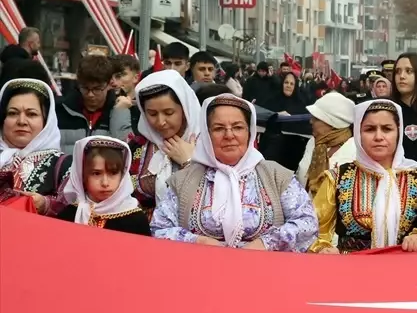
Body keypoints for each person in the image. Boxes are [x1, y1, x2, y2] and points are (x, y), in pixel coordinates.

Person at [151, 94, 317, 250]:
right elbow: (160, 228)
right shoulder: (183, 180)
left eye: (238, 127)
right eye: (218, 128)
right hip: (202, 269)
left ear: (250, 132)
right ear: (207, 135)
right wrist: (197, 241)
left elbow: (307, 222)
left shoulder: (276, 176)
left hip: (265, 270)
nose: (229, 135)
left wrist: (266, 243)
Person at [310, 99, 417, 254]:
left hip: (406, 270)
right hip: (352, 272)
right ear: (358, 133)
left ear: (398, 132)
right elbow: (314, 229)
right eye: (370, 129)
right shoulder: (337, 177)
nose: (378, 136)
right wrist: (323, 248)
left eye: (387, 129)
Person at [128, 70, 202, 211]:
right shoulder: (138, 146)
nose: (161, 122)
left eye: (169, 113)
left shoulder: (207, 145)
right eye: (152, 114)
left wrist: (188, 161)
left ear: (185, 109)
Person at [0, 78, 70, 214]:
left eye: (31, 114)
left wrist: (47, 205)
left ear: (46, 121)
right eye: (13, 113)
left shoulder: (63, 165)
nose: (21, 121)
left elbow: (79, 210)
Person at [58, 136, 151, 234]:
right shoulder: (70, 215)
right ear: (83, 176)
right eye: (96, 173)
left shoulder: (136, 220)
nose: (105, 183)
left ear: (123, 176)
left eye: (113, 173)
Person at [57, 54, 133, 152]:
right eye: (85, 88)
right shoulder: (60, 110)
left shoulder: (120, 111)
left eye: (97, 89)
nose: (90, 94)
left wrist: (119, 113)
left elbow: (126, 150)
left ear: (110, 84)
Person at [296, 91, 356, 196]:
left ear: (332, 123)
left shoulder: (353, 149)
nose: (311, 121)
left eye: (316, 118)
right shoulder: (313, 142)